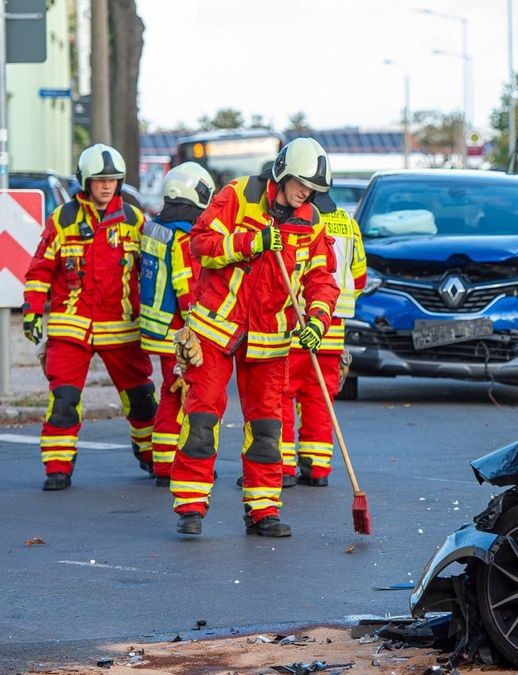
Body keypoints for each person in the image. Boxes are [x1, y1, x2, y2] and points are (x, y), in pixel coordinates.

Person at [170, 138, 339, 538]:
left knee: (266, 428)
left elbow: (322, 280)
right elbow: (201, 245)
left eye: (313, 189)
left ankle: (263, 510)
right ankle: (190, 506)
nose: (306, 194)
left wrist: (317, 321)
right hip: (215, 327)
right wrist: (251, 242)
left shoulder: (311, 220)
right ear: (282, 173)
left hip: (270, 337)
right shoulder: (238, 196)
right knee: (202, 416)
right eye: (301, 184)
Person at [21, 144, 157, 490]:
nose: (107, 186)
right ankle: (57, 467)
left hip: (122, 328)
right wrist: (33, 310)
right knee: (63, 400)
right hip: (72, 327)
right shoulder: (63, 220)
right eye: (100, 180)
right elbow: (40, 269)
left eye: (112, 180)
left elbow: (152, 273)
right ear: (85, 181)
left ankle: (152, 455)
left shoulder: (133, 219)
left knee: (141, 399)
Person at [138, 162, 215, 487]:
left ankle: (163, 462)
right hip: (178, 332)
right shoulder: (184, 235)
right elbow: (188, 287)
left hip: (155, 329)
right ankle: (174, 467)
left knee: (170, 393)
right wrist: (196, 329)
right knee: (185, 396)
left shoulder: (154, 227)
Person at [281, 205, 366, 487]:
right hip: (333, 327)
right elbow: (360, 277)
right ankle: (316, 468)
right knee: (320, 398)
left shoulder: (299, 219)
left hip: (298, 324)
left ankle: (281, 467)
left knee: (282, 394)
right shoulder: (348, 223)